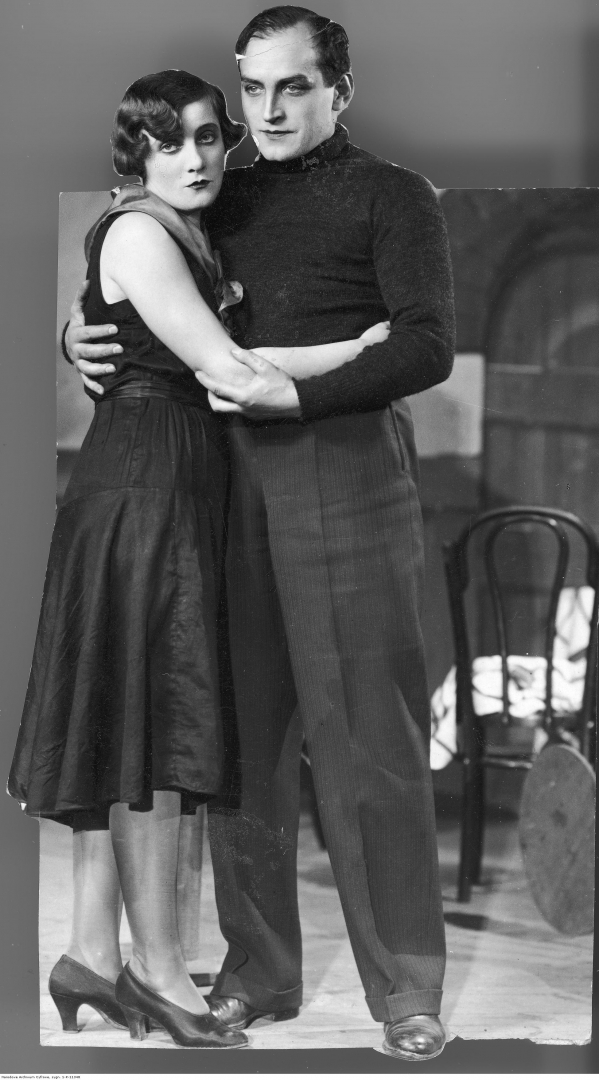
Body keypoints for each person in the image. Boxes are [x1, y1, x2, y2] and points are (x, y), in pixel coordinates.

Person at [65, 6, 456, 1062]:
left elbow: (425, 345)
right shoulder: (213, 188)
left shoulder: (393, 194)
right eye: (252, 88)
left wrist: (294, 391)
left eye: (293, 87)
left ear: (340, 90)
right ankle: (257, 974)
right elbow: (137, 291)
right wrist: (76, 335)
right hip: (215, 479)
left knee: (368, 742)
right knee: (238, 746)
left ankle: (405, 991)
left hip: (344, 473)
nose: (268, 110)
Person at [9, 67, 389, 1051]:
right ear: (135, 152)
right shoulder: (142, 232)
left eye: (208, 136)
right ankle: (159, 972)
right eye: (169, 141)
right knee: (152, 741)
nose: (195, 156)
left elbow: (194, 349)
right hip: (145, 486)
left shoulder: (180, 228)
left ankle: (89, 955)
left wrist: (85, 326)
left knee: (129, 725)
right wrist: (365, 351)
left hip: (163, 477)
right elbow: (225, 370)